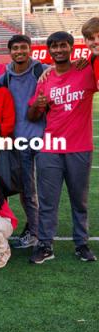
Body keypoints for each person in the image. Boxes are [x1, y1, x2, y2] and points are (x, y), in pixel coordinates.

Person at [28, 31, 97, 264]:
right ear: (49, 50)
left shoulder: (85, 70)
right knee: (48, 200)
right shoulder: (45, 79)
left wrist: (91, 54)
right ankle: (45, 244)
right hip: (50, 147)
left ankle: (81, 244)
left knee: (80, 200)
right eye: (54, 47)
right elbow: (32, 115)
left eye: (63, 46)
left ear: (71, 47)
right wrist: (38, 106)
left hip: (79, 146)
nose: (59, 50)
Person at [0, 35, 48, 249]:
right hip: (18, 142)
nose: (20, 51)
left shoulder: (42, 70)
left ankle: (41, 230)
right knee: (27, 190)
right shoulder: (5, 78)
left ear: (30, 50)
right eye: (15, 48)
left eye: (23, 48)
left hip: (44, 139)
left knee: (46, 189)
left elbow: (64, 71)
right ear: (10, 51)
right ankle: (34, 232)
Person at [81, 17, 99, 84]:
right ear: (85, 41)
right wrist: (54, 68)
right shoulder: (93, 58)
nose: (96, 41)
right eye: (91, 38)